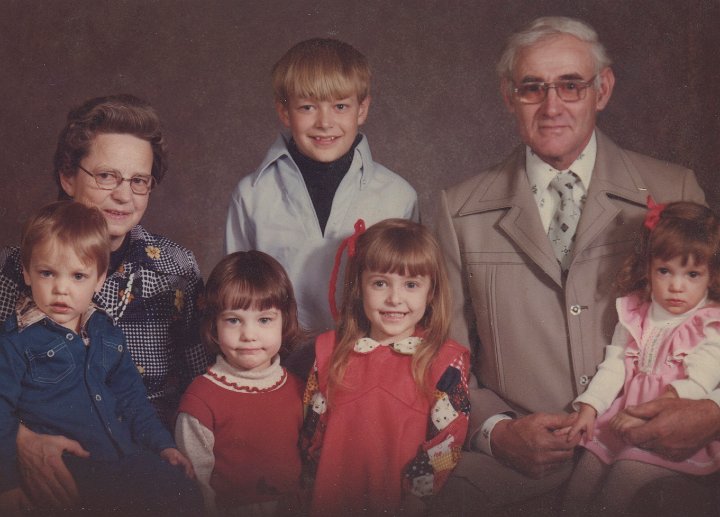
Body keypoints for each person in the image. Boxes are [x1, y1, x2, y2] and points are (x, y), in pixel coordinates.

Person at [434, 15, 716, 513]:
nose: (552, 107)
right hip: (519, 461)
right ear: (508, 95)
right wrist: (496, 432)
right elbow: (445, 353)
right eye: (532, 88)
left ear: (602, 89)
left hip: (650, 452)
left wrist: (713, 413)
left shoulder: (673, 190)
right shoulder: (459, 212)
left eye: (571, 85)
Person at [0, 94, 210, 508]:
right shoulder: (12, 268)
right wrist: (20, 443)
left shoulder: (176, 267)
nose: (123, 196)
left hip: (139, 452)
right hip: (43, 457)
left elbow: (198, 379)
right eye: (106, 176)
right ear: (67, 176)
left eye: (139, 181)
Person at [0, 201, 200, 516]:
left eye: (78, 276)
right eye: (47, 273)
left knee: (181, 485)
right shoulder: (15, 343)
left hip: (121, 456)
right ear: (26, 272)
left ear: (99, 279)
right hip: (67, 469)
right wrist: (6, 486)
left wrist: (164, 445)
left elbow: (133, 399)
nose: (61, 289)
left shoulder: (106, 332)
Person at [224, 38, 418, 354]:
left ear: (362, 109)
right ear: (284, 111)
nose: (325, 122)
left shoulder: (398, 196)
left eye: (340, 106)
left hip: (369, 377)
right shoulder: (251, 195)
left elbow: (415, 297)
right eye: (307, 107)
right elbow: (231, 301)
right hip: (274, 372)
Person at [301, 218, 470, 516]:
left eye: (411, 285)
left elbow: (447, 441)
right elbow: (311, 430)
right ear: (360, 288)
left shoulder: (444, 361)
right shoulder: (331, 351)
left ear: (431, 293)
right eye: (380, 283)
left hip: (403, 505)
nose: (394, 298)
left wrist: (417, 496)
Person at [562, 200, 720, 512]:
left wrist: (652, 409)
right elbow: (614, 365)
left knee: (623, 483)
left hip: (668, 425)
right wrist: (591, 408)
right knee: (582, 481)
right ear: (647, 269)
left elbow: (703, 377)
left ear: (711, 276)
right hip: (620, 418)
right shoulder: (636, 313)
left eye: (691, 274)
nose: (676, 286)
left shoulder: (709, 321)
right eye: (665, 271)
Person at [175, 250, 305, 516]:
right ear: (214, 325)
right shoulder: (200, 398)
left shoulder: (299, 388)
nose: (249, 335)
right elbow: (196, 483)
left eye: (265, 320)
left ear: (285, 322)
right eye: (233, 320)